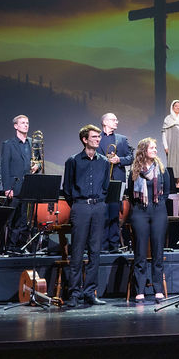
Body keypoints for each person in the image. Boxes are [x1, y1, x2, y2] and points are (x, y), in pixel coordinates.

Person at [61, 124, 109, 306]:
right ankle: (74, 293)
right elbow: (67, 188)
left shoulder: (104, 161)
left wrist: (100, 201)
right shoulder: (73, 161)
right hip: (80, 206)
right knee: (77, 251)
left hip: (98, 207)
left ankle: (90, 292)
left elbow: (105, 186)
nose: (98, 139)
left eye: (99, 137)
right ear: (84, 139)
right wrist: (77, 204)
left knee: (95, 251)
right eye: (94, 137)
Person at [129, 138, 169, 303]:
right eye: (152, 148)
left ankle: (158, 289)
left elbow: (167, 191)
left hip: (158, 211)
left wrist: (158, 204)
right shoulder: (135, 170)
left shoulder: (161, 169)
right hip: (140, 212)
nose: (155, 150)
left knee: (158, 251)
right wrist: (140, 205)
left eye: (155, 147)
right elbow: (130, 193)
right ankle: (140, 290)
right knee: (140, 252)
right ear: (143, 150)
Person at [0, 114, 39, 255]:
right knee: (12, 219)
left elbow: (38, 161)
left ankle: (21, 246)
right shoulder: (8, 144)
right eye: (22, 123)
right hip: (14, 187)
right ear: (16, 126)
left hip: (29, 187)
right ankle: (10, 247)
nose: (26, 125)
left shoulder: (33, 143)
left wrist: (37, 166)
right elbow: (5, 167)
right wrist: (7, 188)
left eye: (27, 123)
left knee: (25, 219)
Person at [99, 113, 133, 252]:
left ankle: (113, 244)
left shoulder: (122, 139)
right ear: (105, 122)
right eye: (113, 120)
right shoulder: (96, 138)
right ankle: (101, 245)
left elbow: (131, 158)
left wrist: (119, 160)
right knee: (101, 213)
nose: (117, 122)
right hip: (100, 181)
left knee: (114, 212)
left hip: (116, 181)